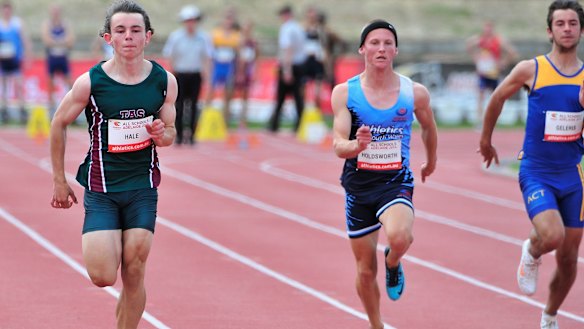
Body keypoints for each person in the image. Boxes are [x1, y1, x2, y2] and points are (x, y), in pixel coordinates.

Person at [49, 1, 177, 328]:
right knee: (103, 276)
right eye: (121, 30)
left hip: (142, 187)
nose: (129, 37)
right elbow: (58, 123)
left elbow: (170, 134)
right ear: (109, 37)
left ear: (148, 37)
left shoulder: (164, 81)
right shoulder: (91, 83)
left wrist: (162, 133)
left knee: (135, 269)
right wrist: (59, 180)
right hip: (101, 189)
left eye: (136, 30)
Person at [479, 1, 584, 328]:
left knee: (569, 258)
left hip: (575, 176)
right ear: (549, 30)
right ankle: (532, 249)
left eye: (573, 23)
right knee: (551, 236)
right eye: (560, 23)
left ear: (581, 30)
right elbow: (496, 98)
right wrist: (486, 140)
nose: (567, 29)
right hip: (537, 171)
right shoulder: (532, 69)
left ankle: (550, 316)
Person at [331, 20, 437, 329]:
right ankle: (376, 324)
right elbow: (338, 145)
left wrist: (431, 160)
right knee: (365, 270)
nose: (381, 48)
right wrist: (356, 145)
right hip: (359, 188)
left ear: (396, 50)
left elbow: (429, 127)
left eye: (388, 43)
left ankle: (393, 261)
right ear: (363, 49)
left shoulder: (413, 92)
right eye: (375, 42)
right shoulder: (346, 93)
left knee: (401, 237)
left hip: (395, 183)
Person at [162, 4, 211, 145]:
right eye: (188, 20)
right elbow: (169, 55)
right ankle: (179, 134)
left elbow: (207, 57)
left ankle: (192, 136)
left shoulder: (203, 37)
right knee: (179, 105)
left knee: (195, 105)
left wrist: (207, 75)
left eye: (193, 20)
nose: (191, 23)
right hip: (180, 75)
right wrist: (171, 74)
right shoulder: (176, 37)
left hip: (196, 74)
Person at [466, 20, 517, 127]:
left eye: (489, 28)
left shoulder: (498, 40)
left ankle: (494, 120)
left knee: (495, 98)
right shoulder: (480, 40)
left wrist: (503, 62)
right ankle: (480, 121)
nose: (487, 30)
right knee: (480, 96)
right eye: (485, 28)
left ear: (492, 29)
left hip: (493, 73)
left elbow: (512, 52)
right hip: (483, 73)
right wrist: (476, 58)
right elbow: (469, 46)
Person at [268, 4, 306, 133]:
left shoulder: (287, 28)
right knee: (298, 98)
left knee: (280, 97)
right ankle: (300, 125)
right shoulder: (298, 27)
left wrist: (286, 70)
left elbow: (287, 50)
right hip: (299, 66)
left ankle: (274, 125)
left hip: (290, 66)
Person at [204, 7, 241, 127]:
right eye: (227, 18)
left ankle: (226, 122)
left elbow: (238, 54)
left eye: (231, 18)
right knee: (211, 91)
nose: (229, 21)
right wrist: (208, 69)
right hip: (217, 65)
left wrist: (238, 71)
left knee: (228, 94)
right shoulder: (216, 33)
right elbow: (209, 52)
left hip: (229, 66)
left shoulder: (237, 35)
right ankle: (205, 120)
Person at [41, 4, 74, 117]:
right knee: (50, 84)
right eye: (53, 12)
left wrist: (55, 41)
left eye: (57, 12)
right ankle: (51, 109)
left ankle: (71, 108)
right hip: (52, 58)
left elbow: (70, 41)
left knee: (70, 83)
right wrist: (62, 41)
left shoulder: (65, 24)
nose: (55, 14)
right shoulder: (47, 24)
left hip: (63, 57)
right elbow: (46, 40)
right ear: (51, 13)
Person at [0, 1, 30, 124]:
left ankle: (22, 110)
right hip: (3, 59)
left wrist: (28, 54)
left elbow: (24, 39)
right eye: (4, 10)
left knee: (18, 84)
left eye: (8, 10)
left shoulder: (17, 23)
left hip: (15, 59)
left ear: (10, 11)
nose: (6, 12)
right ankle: (4, 110)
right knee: (4, 85)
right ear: (2, 11)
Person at [235, 19, 259, 130]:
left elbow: (257, 57)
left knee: (246, 95)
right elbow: (238, 58)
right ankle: (232, 118)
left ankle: (243, 119)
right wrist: (239, 72)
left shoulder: (254, 42)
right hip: (240, 70)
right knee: (235, 94)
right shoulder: (239, 41)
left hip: (249, 70)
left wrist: (256, 72)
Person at [302, 6, 326, 109]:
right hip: (306, 60)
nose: (312, 18)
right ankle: (302, 112)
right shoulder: (302, 29)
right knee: (303, 87)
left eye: (314, 16)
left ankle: (317, 110)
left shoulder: (320, 30)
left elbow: (324, 45)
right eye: (310, 16)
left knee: (318, 89)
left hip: (317, 61)